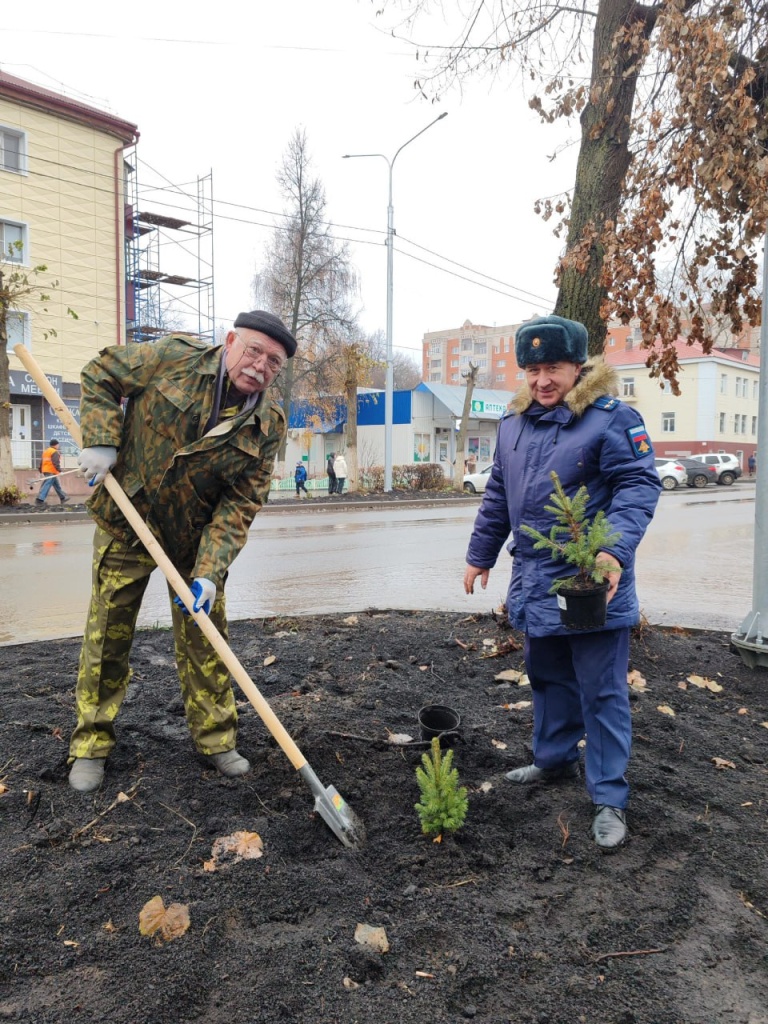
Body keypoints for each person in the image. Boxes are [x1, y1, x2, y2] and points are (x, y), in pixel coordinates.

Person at [67, 310, 297, 793]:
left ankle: (216, 740)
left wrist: (210, 572)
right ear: (231, 341)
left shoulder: (266, 425)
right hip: (127, 519)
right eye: (253, 350)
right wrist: (102, 439)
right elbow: (101, 372)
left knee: (207, 639)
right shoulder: (173, 359)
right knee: (107, 633)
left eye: (272, 361)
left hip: (195, 541)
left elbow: (240, 503)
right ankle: (91, 744)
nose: (259, 365)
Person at [463, 315, 661, 852]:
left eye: (552, 368)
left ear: (578, 367)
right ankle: (553, 762)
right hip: (534, 581)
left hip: (593, 582)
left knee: (602, 691)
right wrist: (480, 556)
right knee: (546, 675)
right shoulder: (515, 423)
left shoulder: (612, 420)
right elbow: (498, 494)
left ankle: (609, 798)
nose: (541, 380)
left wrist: (611, 551)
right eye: (532, 369)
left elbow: (638, 486)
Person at [36, 439, 68, 504]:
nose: (58, 446)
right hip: (51, 471)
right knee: (47, 484)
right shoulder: (54, 452)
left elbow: (41, 462)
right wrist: (60, 471)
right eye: (58, 444)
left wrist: (40, 470)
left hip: (46, 470)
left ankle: (63, 497)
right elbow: (56, 462)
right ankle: (40, 499)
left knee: (56, 485)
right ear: (56, 445)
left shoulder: (46, 451)